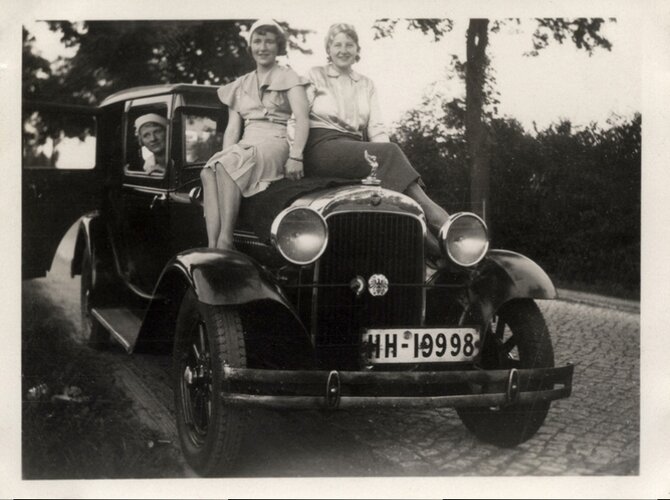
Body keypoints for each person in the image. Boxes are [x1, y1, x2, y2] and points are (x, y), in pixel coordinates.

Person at [303, 23, 450, 250]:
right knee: (390, 155)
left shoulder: (366, 84)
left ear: (357, 50)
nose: (343, 50)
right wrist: (293, 154)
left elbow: (377, 128)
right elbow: (297, 117)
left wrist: (387, 161)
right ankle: (437, 219)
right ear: (329, 49)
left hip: (353, 148)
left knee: (389, 157)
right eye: (337, 45)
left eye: (349, 45)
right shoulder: (315, 75)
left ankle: (429, 242)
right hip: (320, 146)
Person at [201, 19, 310, 249]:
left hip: (275, 141)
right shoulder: (240, 85)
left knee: (227, 164)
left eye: (269, 41)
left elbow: (302, 118)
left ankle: (226, 240)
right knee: (209, 170)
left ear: (278, 46)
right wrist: (225, 156)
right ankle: (212, 245)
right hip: (247, 142)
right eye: (257, 41)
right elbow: (233, 128)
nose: (263, 47)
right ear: (250, 46)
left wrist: (296, 155)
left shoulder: (289, 77)